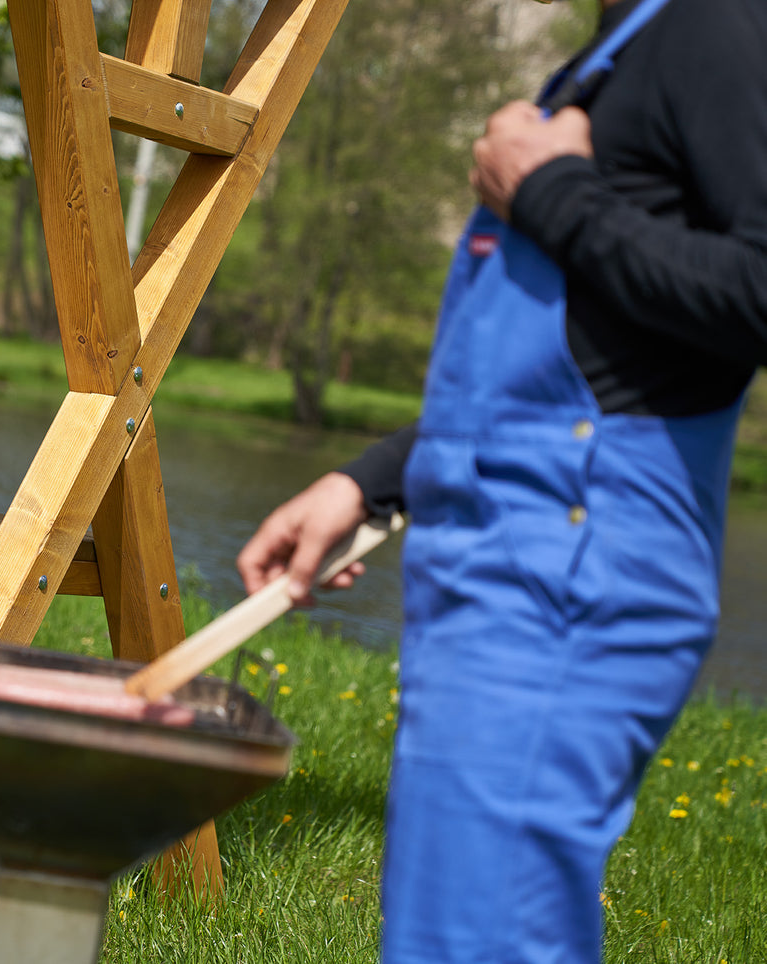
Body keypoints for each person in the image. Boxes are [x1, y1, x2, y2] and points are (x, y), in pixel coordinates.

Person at [237, 0, 767, 961]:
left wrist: (550, 190)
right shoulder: (616, 49)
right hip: (498, 578)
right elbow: (573, 366)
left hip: (567, 575)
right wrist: (371, 482)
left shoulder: (712, 25)